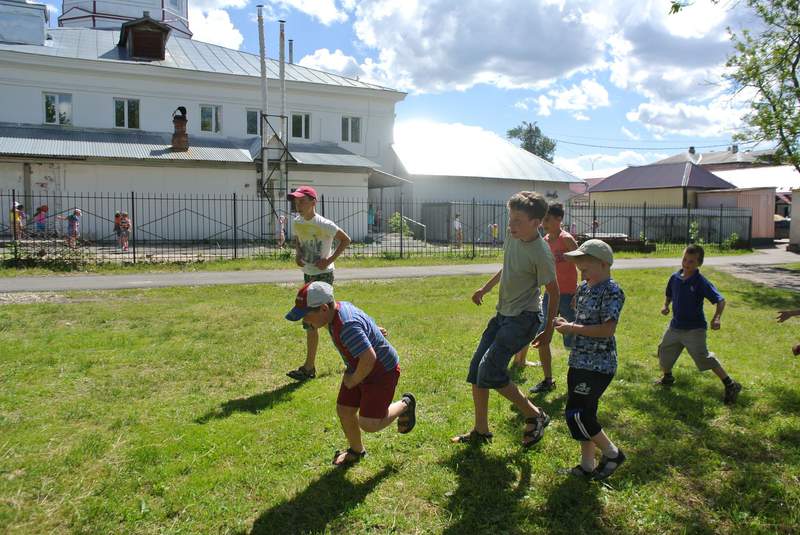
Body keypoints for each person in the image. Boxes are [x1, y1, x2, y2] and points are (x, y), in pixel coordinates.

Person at [452, 191, 558, 448]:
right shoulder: (514, 236)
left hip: (524, 319)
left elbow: (554, 291)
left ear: (536, 223)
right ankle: (481, 430)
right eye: (510, 219)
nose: (511, 225)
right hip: (503, 315)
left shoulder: (541, 253)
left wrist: (548, 330)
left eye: (517, 221)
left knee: (491, 371)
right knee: (477, 370)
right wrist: (485, 288)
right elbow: (508, 265)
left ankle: (535, 414)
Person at [285, 281, 417, 466]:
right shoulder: (335, 311)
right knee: (344, 410)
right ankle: (357, 451)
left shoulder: (346, 326)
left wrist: (354, 380)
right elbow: (362, 320)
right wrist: (372, 330)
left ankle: (406, 403)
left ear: (324, 309)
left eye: (306, 316)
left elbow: (369, 358)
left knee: (369, 424)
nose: (305, 321)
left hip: (381, 372)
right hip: (359, 367)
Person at [554, 239, 626, 480]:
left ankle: (612, 453)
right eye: (579, 270)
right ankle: (587, 465)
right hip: (579, 360)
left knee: (578, 414)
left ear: (604, 264)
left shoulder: (611, 291)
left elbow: (607, 329)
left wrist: (572, 328)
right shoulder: (584, 288)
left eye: (585, 269)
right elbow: (583, 319)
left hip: (598, 364)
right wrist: (567, 323)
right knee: (585, 412)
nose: (581, 274)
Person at [654, 244, 742, 404]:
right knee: (664, 352)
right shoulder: (675, 278)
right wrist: (665, 305)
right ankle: (667, 377)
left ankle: (730, 384)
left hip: (694, 329)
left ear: (699, 263)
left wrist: (717, 318)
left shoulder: (700, 282)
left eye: (691, 261)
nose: (686, 264)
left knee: (703, 358)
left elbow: (720, 300)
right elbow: (669, 294)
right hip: (675, 327)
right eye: (685, 259)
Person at [286, 186, 352, 381]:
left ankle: (354, 357)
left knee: (330, 320)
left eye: (302, 201)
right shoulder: (297, 222)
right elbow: (298, 240)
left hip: (324, 276)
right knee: (310, 321)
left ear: (313, 202)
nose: (298, 205)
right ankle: (309, 368)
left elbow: (346, 240)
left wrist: (329, 260)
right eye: (296, 202)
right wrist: (298, 254)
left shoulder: (324, 224)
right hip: (308, 275)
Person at [516, 203, 579, 393]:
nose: (544, 223)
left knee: (573, 339)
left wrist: (580, 292)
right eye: (543, 220)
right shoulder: (544, 241)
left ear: (559, 219)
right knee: (543, 335)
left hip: (568, 296)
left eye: (547, 220)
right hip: (550, 296)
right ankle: (548, 380)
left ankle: (578, 379)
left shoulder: (566, 239)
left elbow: (583, 264)